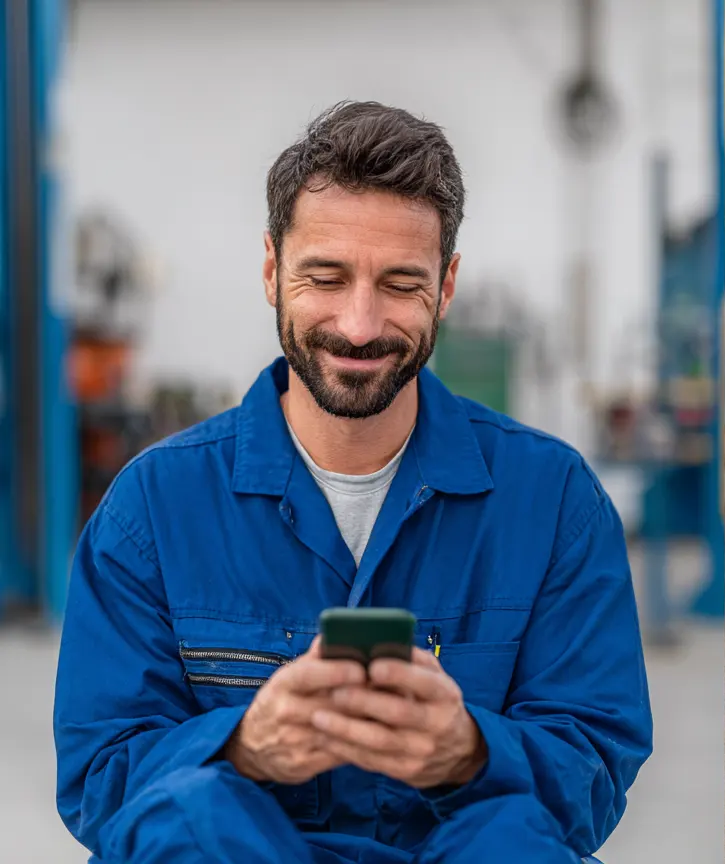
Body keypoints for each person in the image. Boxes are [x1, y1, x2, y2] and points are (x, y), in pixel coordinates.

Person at [53, 101, 652, 864]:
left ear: (448, 286)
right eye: (326, 277)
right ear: (272, 271)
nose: (361, 324)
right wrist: (243, 748)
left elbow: (595, 771)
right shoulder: (151, 512)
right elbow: (101, 783)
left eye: (401, 283)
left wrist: (471, 752)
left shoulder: (556, 501)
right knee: (188, 821)